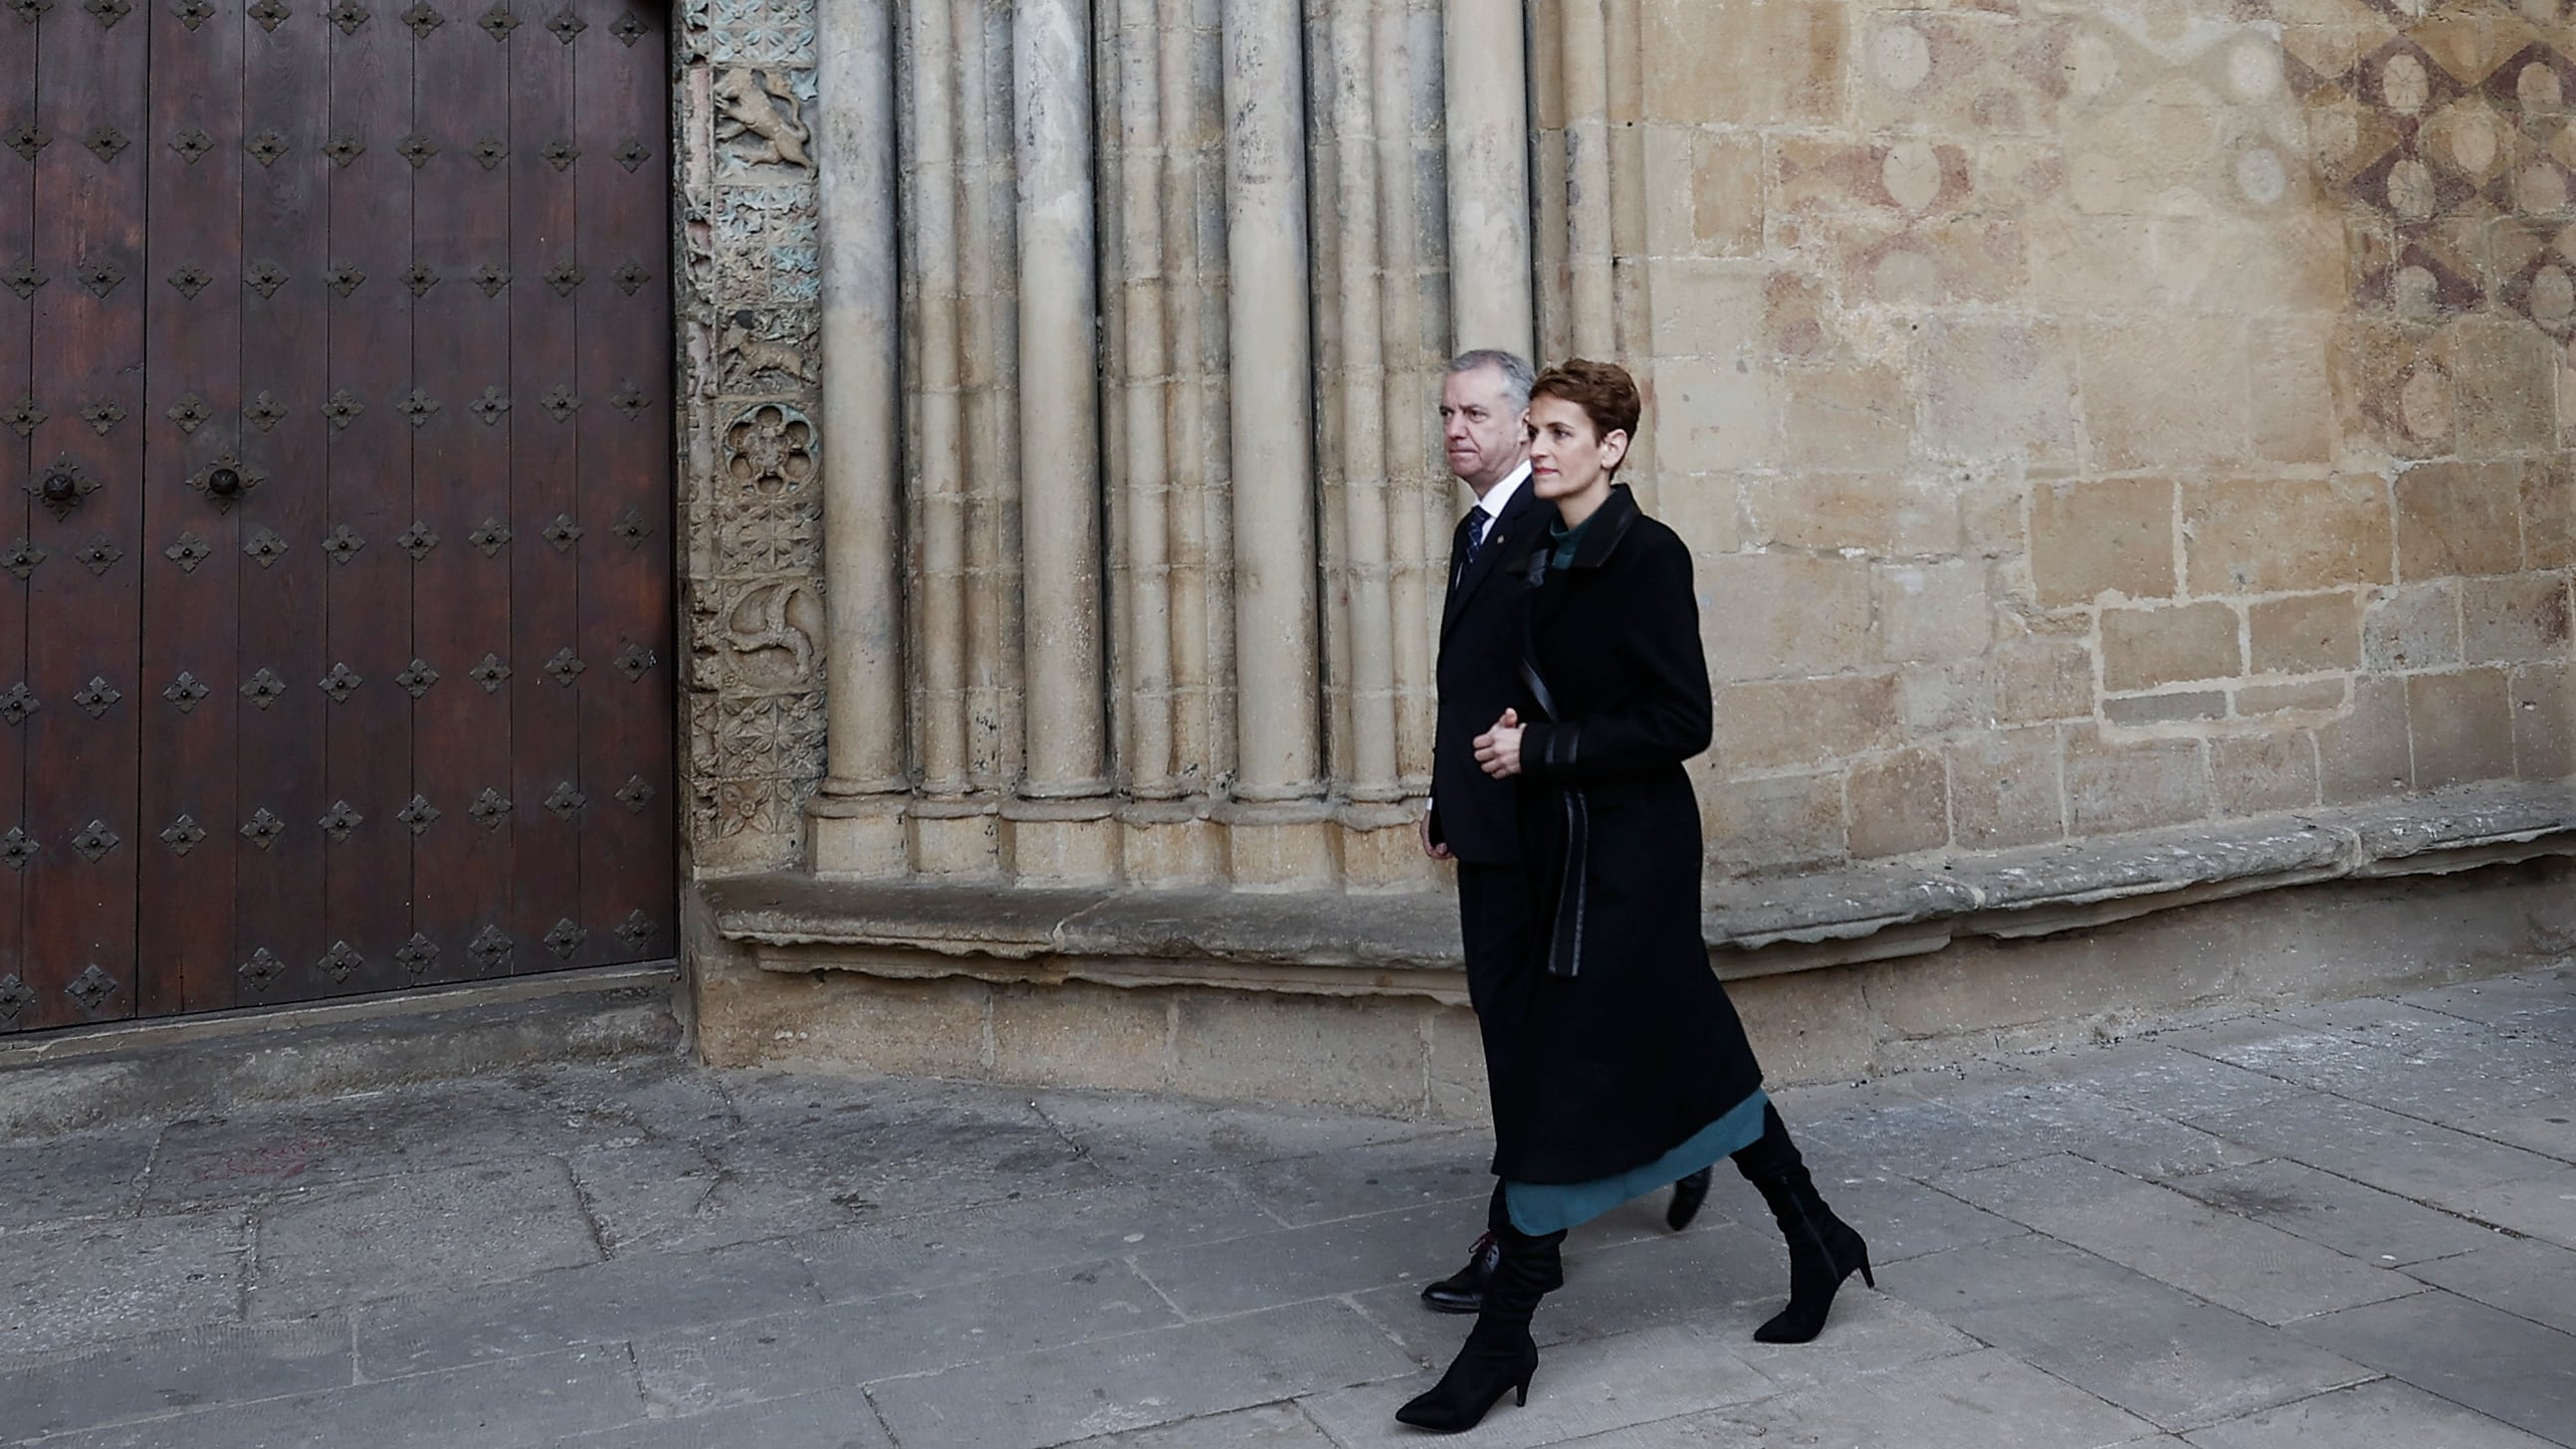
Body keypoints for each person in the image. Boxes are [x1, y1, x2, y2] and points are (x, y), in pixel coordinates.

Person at [1396, 360, 1872, 1433]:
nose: (1539, 446)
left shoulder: (1645, 553)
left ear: (1610, 446)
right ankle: (1818, 1236)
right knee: (1689, 1050)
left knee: (1556, 1073)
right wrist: (1483, 778)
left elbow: (1680, 719)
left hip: (1629, 859)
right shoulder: (1542, 555)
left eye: (1557, 431)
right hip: (1567, 848)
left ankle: (1505, 1330)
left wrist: (1542, 748)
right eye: (1538, 430)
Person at [1416, 351, 1712, 1320]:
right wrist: (1443, 793)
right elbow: (1472, 680)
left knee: (1530, 1037)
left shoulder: (1564, 525)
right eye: (1445, 412)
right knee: (1535, 1028)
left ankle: (1516, 1234)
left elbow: (1608, 698)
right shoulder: (1482, 528)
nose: (1455, 428)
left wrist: (1531, 769)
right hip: (1491, 816)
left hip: (1550, 827)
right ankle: (1681, 1136)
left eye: (1475, 413)